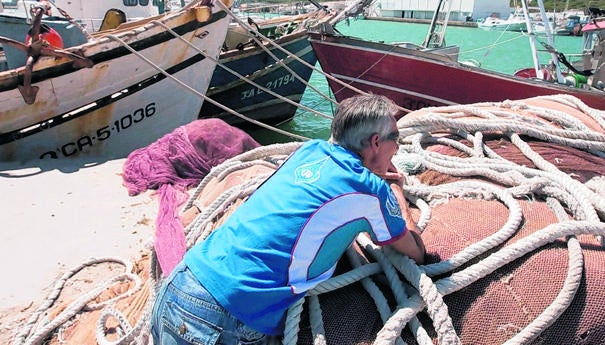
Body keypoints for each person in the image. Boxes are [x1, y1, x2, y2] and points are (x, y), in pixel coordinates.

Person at [150, 94, 426, 344]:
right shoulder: (372, 191)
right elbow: (416, 252)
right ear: (376, 142)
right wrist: (396, 191)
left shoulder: (309, 151)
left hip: (180, 281)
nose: (398, 149)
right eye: (396, 139)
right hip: (222, 317)